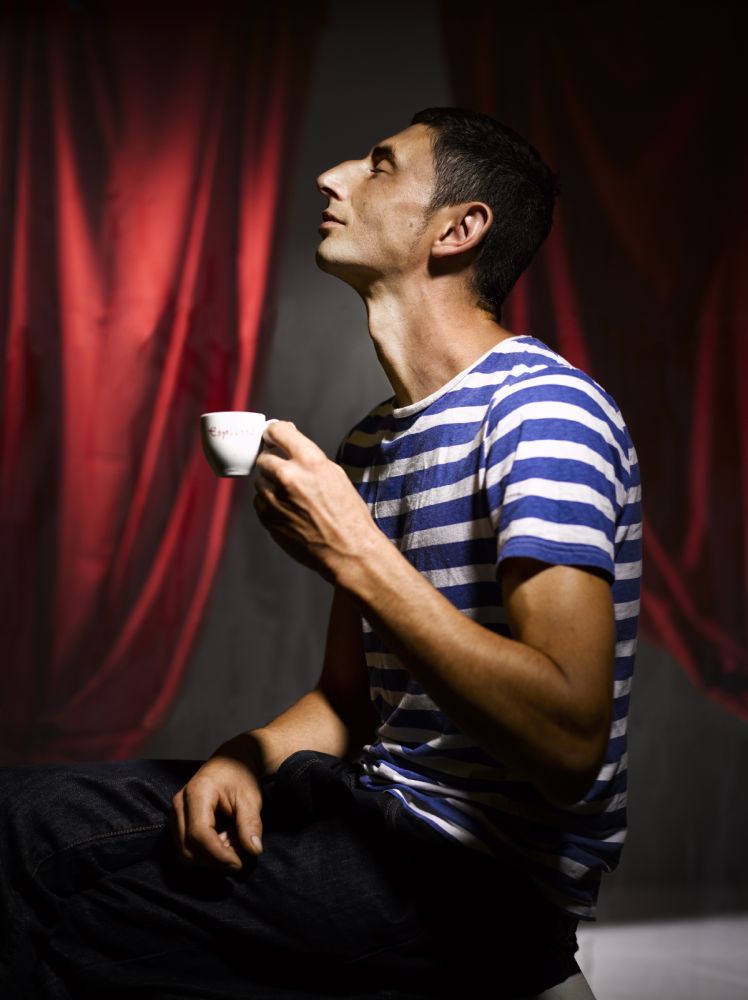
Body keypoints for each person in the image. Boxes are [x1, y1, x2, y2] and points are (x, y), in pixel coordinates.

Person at [0, 107, 641, 999]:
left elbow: (570, 741)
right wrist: (246, 754)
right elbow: (350, 701)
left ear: (458, 230)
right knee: (22, 821)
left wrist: (356, 552)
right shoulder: (373, 441)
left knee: (78, 937)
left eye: (379, 166)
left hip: (476, 879)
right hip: (365, 808)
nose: (331, 177)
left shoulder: (542, 413)